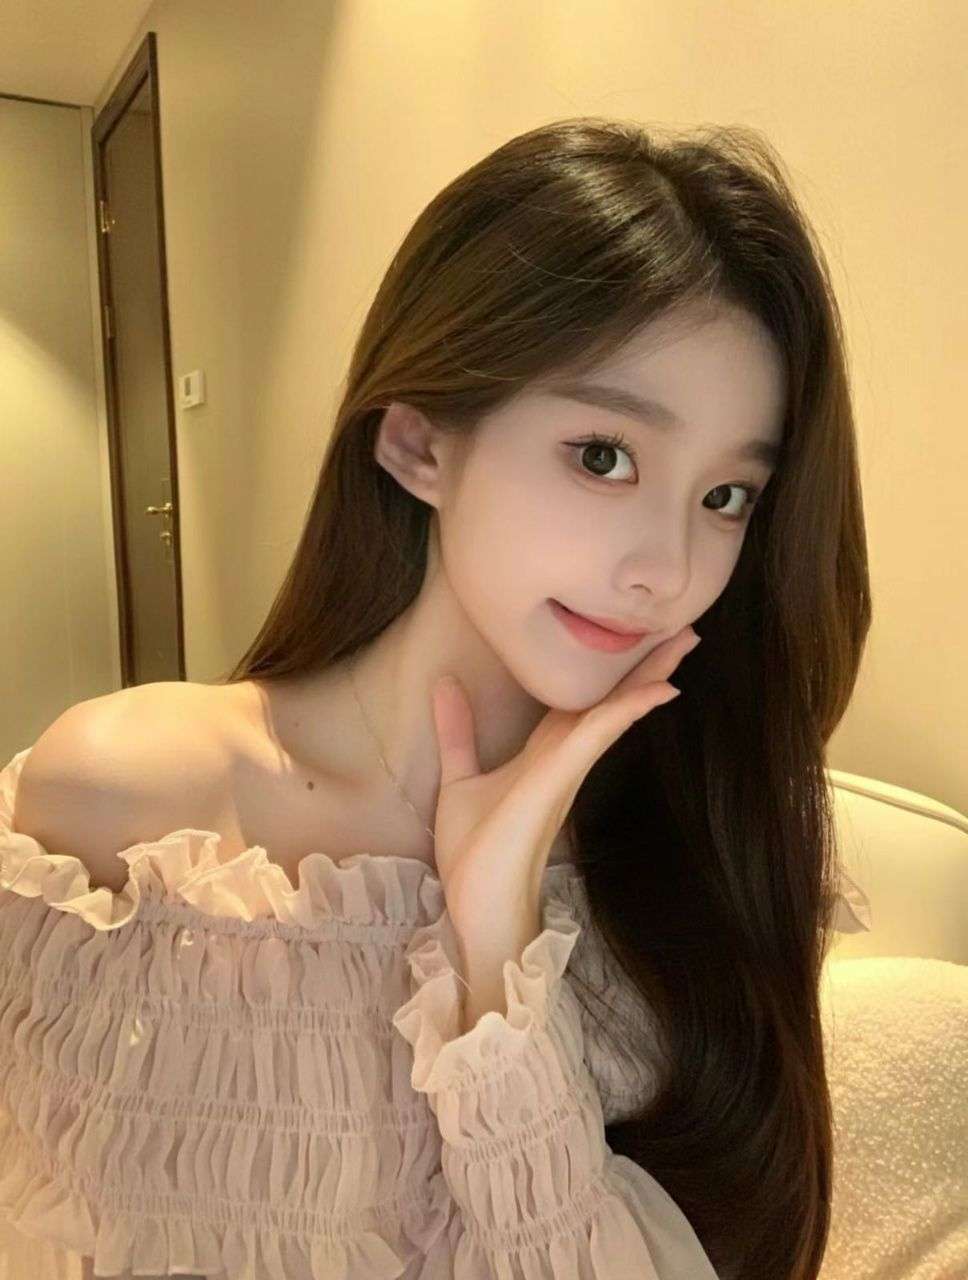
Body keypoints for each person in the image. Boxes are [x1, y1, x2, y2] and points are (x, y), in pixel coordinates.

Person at [1, 117, 875, 1279]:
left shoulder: (703, 855)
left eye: (725, 495)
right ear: (417, 442)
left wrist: (493, 937)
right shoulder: (133, 805)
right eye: (603, 455)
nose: (665, 567)